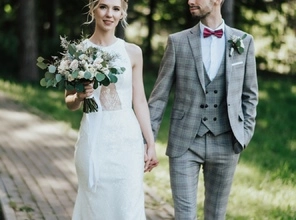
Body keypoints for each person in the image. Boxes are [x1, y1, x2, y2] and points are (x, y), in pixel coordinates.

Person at [148, 0, 258, 219]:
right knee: (185, 215)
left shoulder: (243, 41)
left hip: (227, 142)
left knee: (216, 215)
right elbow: (158, 97)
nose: (190, 1)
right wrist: (148, 141)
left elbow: (250, 94)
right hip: (184, 142)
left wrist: (244, 134)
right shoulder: (177, 41)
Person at [65, 0, 159, 219]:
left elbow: (140, 101)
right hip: (93, 140)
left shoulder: (133, 52)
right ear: (93, 9)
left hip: (127, 142)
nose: (109, 14)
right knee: (93, 205)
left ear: (122, 13)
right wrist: (79, 96)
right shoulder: (77, 54)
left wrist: (150, 143)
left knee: (127, 206)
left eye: (116, 9)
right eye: (104, 7)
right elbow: (69, 102)